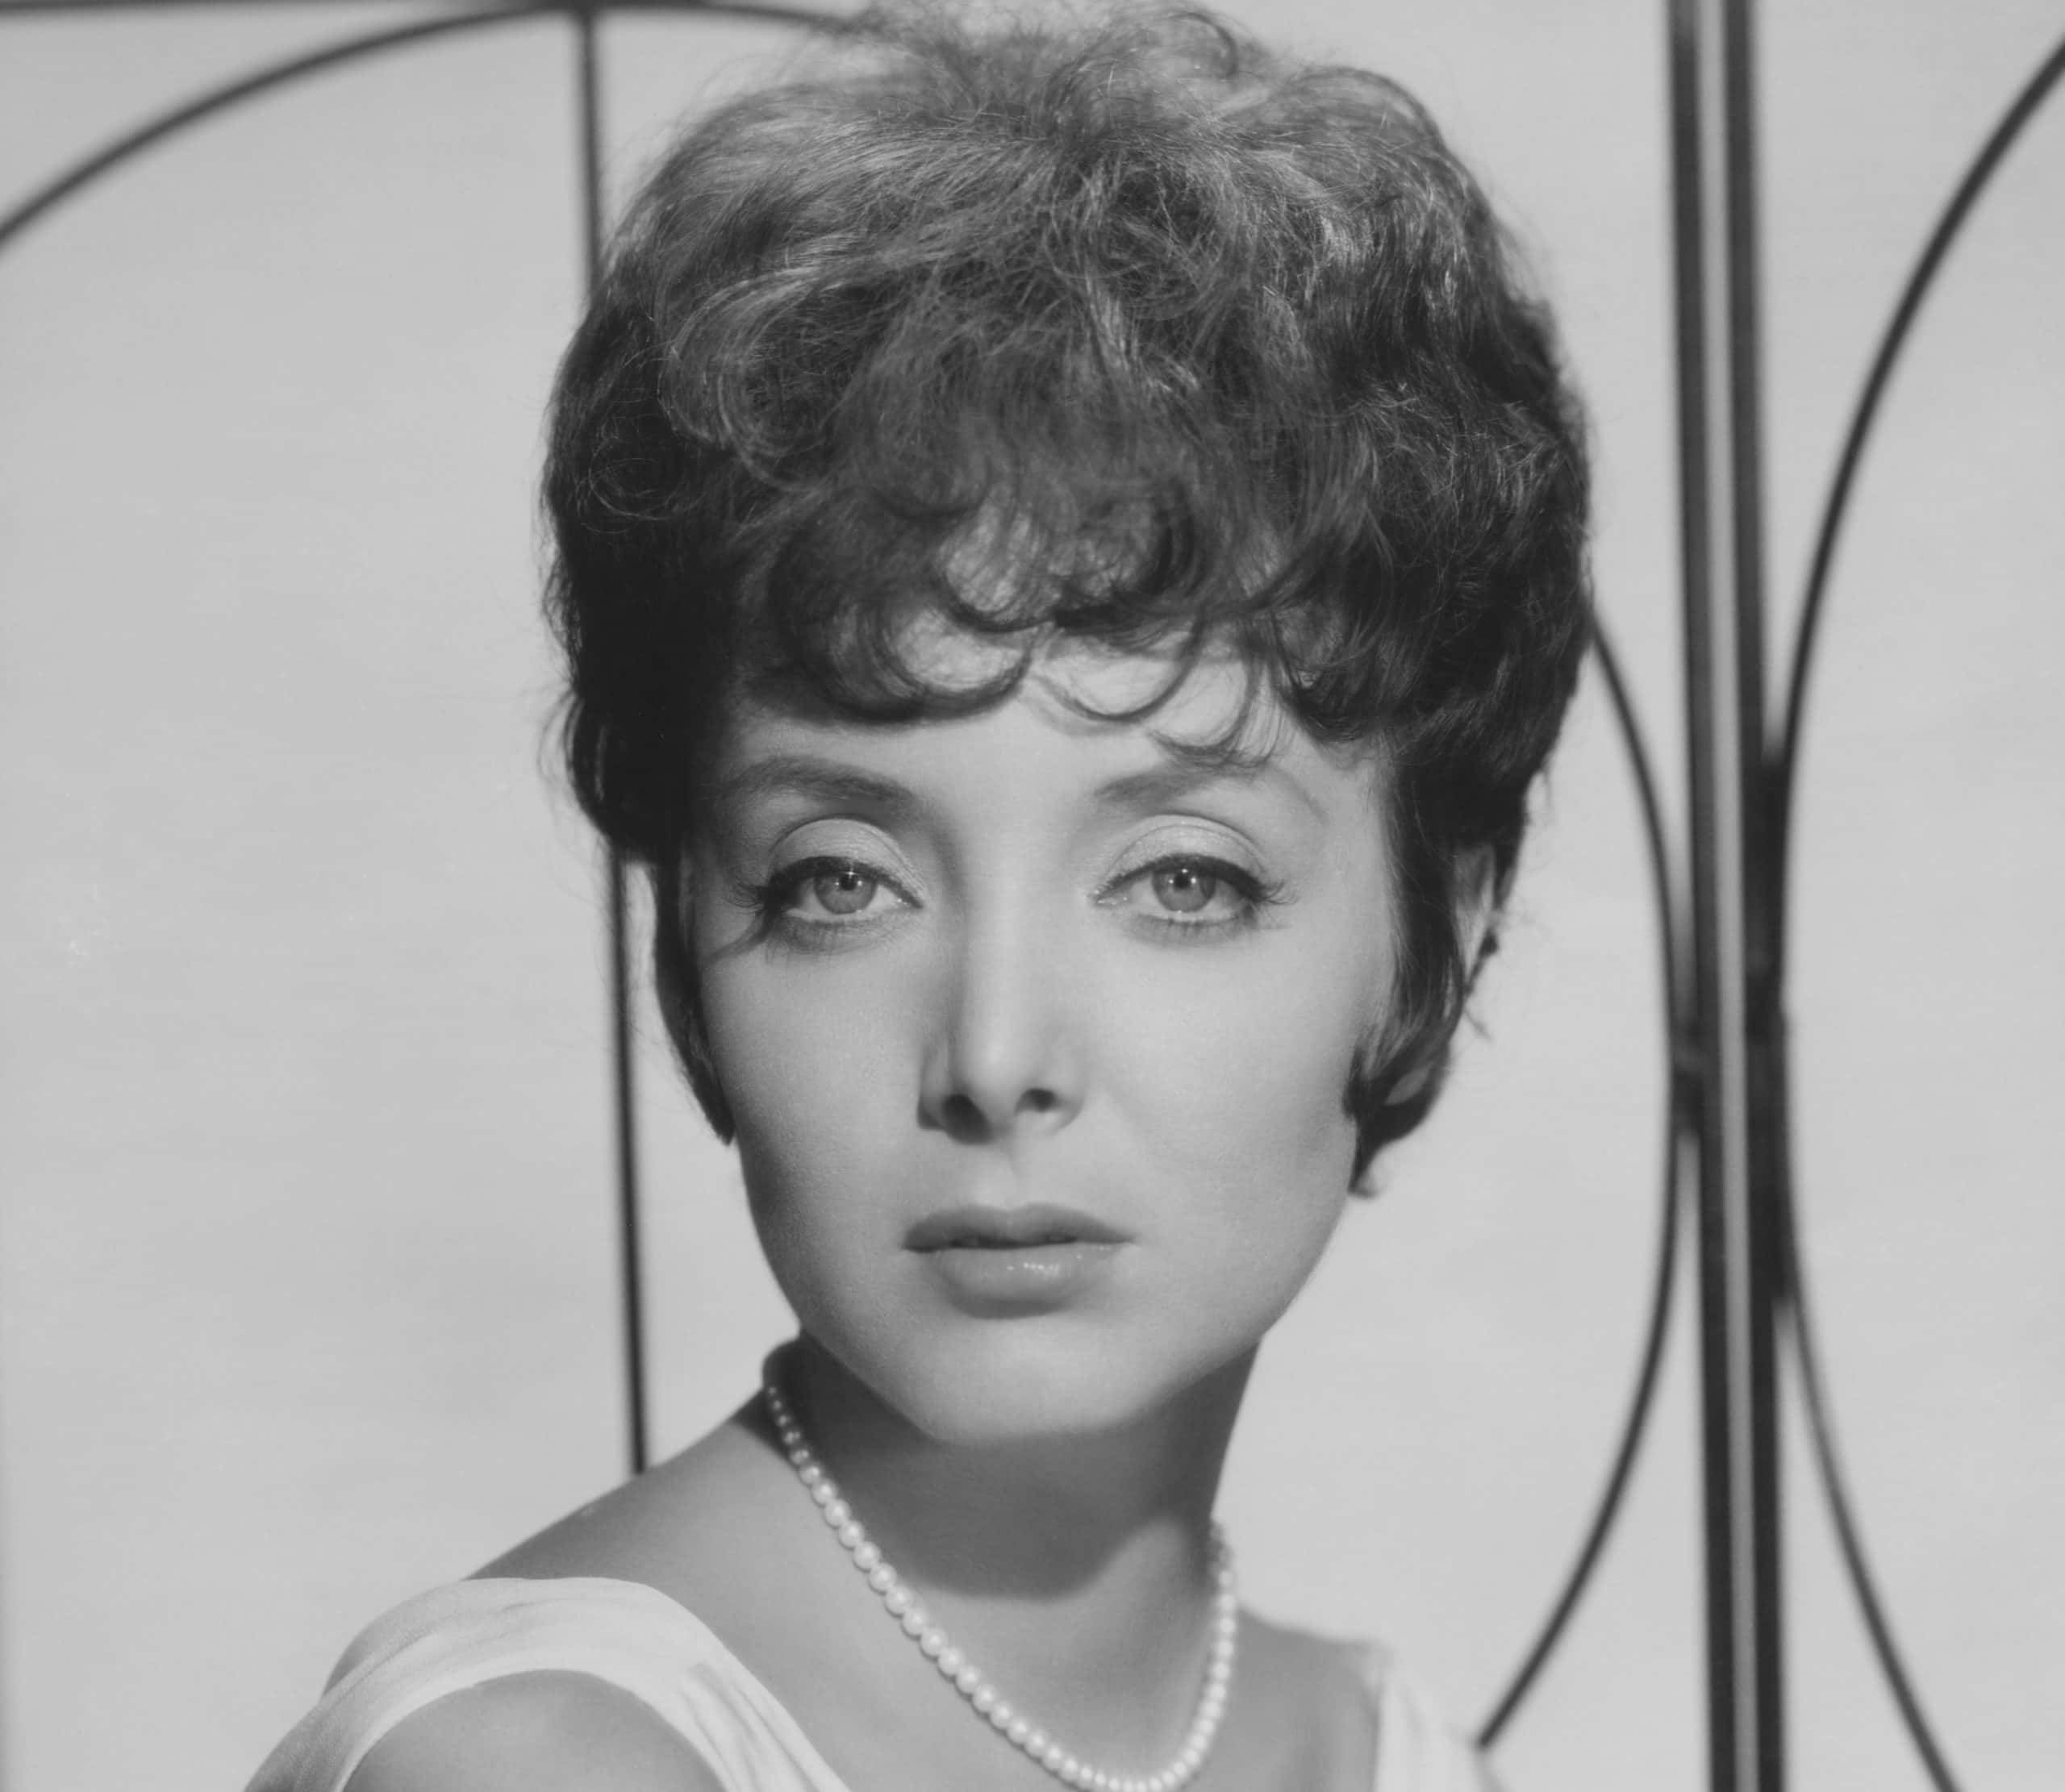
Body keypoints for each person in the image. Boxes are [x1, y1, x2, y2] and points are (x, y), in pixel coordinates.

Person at [246, 4, 1589, 1787]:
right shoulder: (535, 1764)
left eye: (1182, 877)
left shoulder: (1383, 1747)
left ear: (1435, 941)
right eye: (841, 881)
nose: (995, 1054)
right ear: (683, 948)